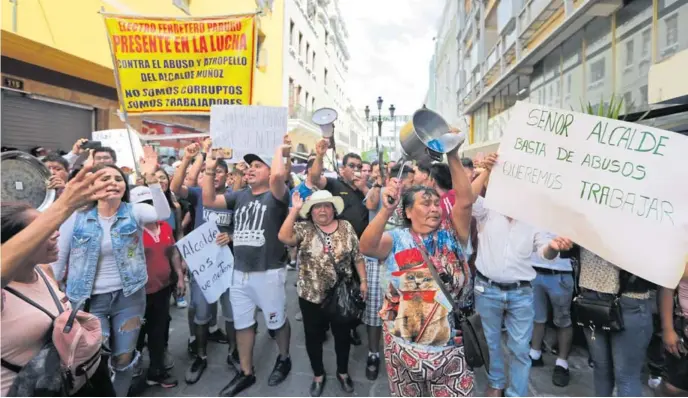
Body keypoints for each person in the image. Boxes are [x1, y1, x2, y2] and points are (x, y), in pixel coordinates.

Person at [359, 134, 476, 397]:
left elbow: (465, 201)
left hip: (451, 353)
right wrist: (385, 211)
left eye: (436, 203)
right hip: (403, 351)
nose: (435, 208)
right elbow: (366, 247)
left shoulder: (453, 234)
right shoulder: (397, 239)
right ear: (408, 211)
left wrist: (453, 154)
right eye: (426, 203)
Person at [51, 147, 171, 397]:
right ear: (92, 186)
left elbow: (163, 213)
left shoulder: (134, 212)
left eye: (118, 179)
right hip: (88, 302)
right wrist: (55, 297)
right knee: (94, 361)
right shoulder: (76, 217)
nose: (113, 183)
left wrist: (152, 180)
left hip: (129, 299)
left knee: (124, 358)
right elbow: (58, 261)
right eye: (105, 178)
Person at [470, 153, 573, 397]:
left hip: (521, 292)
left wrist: (553, 248)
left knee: (519, 348)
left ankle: (516, 392)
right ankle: (496, 383)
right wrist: (486, 170)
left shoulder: (534, 219)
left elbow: (545, 251)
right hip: (487, 289)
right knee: (492, 343)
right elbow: (466, 198)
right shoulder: (486, 209)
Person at [202, 142, 293, 397]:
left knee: (277, 322)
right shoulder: (239, 195)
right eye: (249, 166)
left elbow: (277, 175)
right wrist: (209, 170)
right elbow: (208, 199)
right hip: (239, 272)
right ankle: (246, 372)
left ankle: (284, 358)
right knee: (243, 324)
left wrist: (277, 149)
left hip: (269, 272)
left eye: (257, 166)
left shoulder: (277, 195)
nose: (250, 170)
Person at [278, 190, 367, 396]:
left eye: (327, 205)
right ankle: (318, 375)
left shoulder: (346, 227)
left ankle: (342, 373)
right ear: (311, 211)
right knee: (313, 337)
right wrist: (294, 211)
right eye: (318, 206)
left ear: (333, 209)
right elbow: (284, 237)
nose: (323, 210)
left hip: (341, 296)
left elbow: (357, 257)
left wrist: (363, 281)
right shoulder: (304, 228)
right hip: (311, 296)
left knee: (342, 336)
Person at [170, 142, 235, 384]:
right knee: (201, 312)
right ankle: (200, 355)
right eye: (213, 170)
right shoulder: (198, 195)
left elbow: (244, 228)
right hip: (202, 266)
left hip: (227, 266)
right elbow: (176, 188)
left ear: (227, 176)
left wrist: (233, 236)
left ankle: (234, 354)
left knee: (231, 313)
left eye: (220, 171)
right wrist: (188, 159)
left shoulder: (234, 197)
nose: (215, 175)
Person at [311, 140, 371, 347]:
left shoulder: (366, 188)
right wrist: (319, 155)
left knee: (353, 292)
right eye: (351, 166)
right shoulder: (335, 184)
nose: (356, 170)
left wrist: (364, 188)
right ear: (342, 169)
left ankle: (350, 327)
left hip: (358, 253)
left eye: (358, 166)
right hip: (334, 249)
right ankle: (324, 327)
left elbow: (375, 206)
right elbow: (315, 178)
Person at [578, 248, 655, 396]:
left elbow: (651, 263)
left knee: (625, 376)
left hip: (629, 300)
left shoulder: (644, 226)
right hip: (591, 299)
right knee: (601, 368)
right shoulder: (585, 224)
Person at [130, 186, 185, 388]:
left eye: (149, 203)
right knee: (136, 334)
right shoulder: (130, 231)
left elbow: (173, 253)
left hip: (163, 290)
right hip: (137, 294)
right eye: (141, 205)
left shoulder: (165, 226)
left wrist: (179, 275)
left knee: (158, 331)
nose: (146, 209)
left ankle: (156, 371)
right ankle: (130, 373)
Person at [528, 236, 575, 387]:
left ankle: (562, 363)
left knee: (563, 320)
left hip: (560, 271)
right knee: (537, 317)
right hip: (534, 269)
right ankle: (535, 353)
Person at [659, 260, 688, 396]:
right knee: (673, 388)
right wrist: (668, 329)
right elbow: (667, 289)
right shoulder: (682, 252)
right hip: (683, 330)